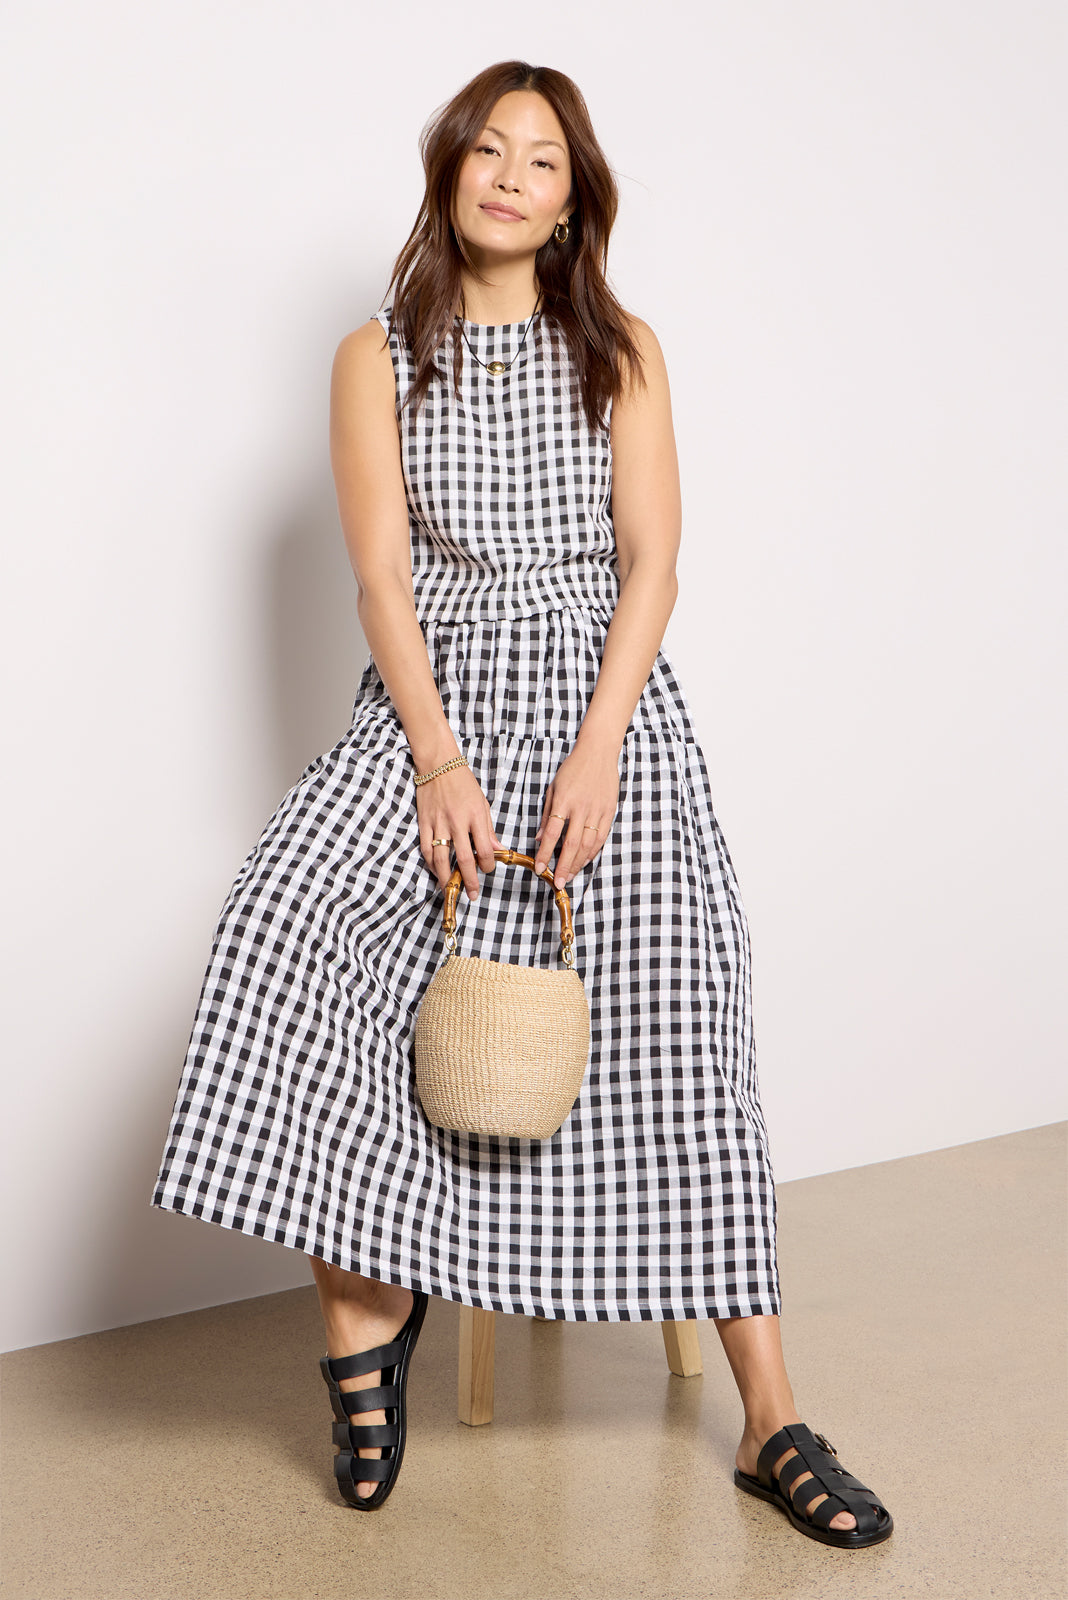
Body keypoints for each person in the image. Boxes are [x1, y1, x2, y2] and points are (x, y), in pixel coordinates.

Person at [151, 59, 893, 1549]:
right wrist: (435, 761)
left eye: (541, 160)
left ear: (571, 202)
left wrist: (600, 745)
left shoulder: (620, 349)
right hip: (430, 712)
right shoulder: (378, 356)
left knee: (684, 1005)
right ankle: (364, 1323)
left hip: (601, 713)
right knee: (282, 925)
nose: (508, 175)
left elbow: (653, 563)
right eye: (487, 148)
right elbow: (380, 575)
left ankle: (771, 1420)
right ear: (449, 171)